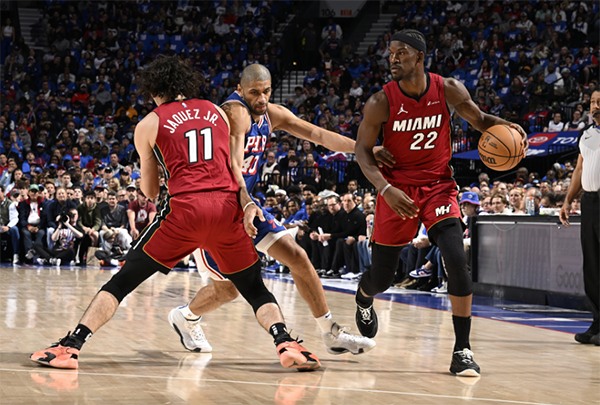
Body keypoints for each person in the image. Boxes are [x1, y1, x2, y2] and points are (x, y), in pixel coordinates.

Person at [30, 56, 320, 372]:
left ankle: (71, 347)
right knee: (254, 288)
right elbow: (233, 163)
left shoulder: (149, 123)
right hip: (227, 209)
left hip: (186, 212)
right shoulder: (217, 111)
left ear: (154, 90)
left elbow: (150, 191)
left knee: (122, 282)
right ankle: (285, 343)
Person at [170, 64, 388, 356]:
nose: (261, 98)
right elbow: (234, 165)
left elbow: (319, 135)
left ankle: (330, 332)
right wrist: (246, 201)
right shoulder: (235, 112)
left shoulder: (272, 113)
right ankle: (186, 316)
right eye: (254, 92)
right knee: (228, 290)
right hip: (214, 209)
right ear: (239, 90)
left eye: (266, 91)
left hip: (246, 205)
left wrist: (364, 150)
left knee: (298, 257)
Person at [352, 29, 528, 377]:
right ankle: (363, 297)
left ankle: (462, 349)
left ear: (419, 56)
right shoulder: (380, 101)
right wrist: (385, 189)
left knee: (457, 260)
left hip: (438, 187)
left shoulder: (447, 88)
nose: (393, 59)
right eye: (390, 53)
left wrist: (507, 125)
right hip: (397, 190)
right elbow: (362, 150)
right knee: (382, 278)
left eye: (401, 53)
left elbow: (480, 120)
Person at [560, 89, 600, 346]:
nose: (595, 106)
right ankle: (598, 320)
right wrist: (568, 200)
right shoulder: (586, 133)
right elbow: (579, 168)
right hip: (590, 202)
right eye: (593, 102)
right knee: (593, 266)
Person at [0, 186, 19, 264]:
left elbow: (15, 218)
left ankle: (15, 254)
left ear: (3, 192)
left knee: (14, 229)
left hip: (7, 225)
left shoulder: (10, 204)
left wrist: (8, 227)